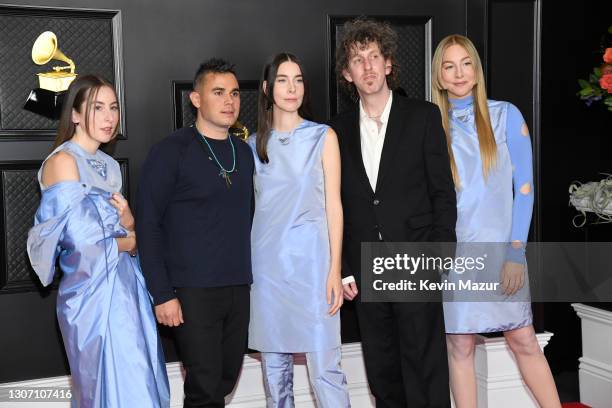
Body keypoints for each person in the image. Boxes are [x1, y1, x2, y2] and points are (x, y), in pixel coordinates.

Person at [329, 19, 457, 408]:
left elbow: (442, 192)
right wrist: (346, 265)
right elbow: (336, 204)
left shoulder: (422, 116)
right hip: (366, 267)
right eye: (357, 60)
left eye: (373, 57)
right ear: (347, 74)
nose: (366, 67)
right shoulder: (335, 131)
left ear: (388, 64)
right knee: (383, 369)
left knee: (425, 366)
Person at [431, 34, 561, 408]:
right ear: (439, 75)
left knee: (523, 339)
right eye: (449, 65)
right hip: (454, 258)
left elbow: (525, 189)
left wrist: (516, 253)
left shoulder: (506, 115)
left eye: (466, 63)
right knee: (458, 344)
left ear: (477, 70)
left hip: (503, 252)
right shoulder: (430, 125)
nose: (459, 73)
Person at [26, 74, 170, 407]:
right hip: (91, 296)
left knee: (139, 382)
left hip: (125, 288)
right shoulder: (63, 162)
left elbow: (120, 230)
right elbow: (81, 243)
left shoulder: (109, 166)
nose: (109, 117)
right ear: (74, 115)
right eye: (97, 108)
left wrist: (129, 226)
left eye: (114, 108)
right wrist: (130, 239)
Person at [136, 59, 253, 408]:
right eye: (218, 92)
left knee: (225, 379)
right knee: (204, 386)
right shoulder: (171, 151)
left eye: (233, 93)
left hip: (237, 286)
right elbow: (148, 225)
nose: (229, 101)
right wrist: (162, 293)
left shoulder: (244, 153)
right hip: (191, 292)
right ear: (196, 99)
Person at [248, 52, 350, 408]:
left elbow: (334, 206)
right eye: (282, 80)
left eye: (298, 79)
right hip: (266, 271)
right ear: (266, 88)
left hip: (313, 266)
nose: (292, 88)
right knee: (275, 374)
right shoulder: (251, 146)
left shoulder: (323, 137)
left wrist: (335, 269)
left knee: (326, 369)